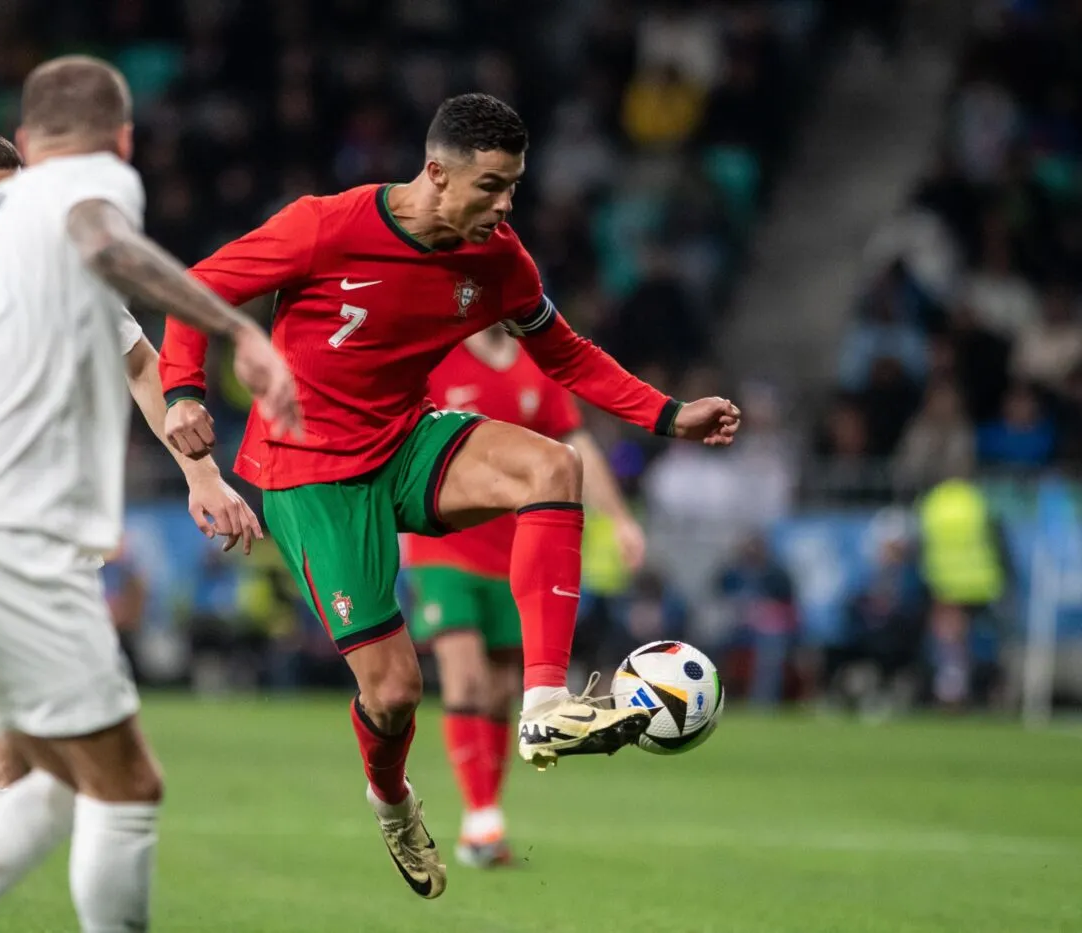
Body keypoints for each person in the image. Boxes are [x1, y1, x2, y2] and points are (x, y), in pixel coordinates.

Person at [159, 92, 739, 898]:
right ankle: (392, 800)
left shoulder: (497, 257)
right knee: (395, 693)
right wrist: (183, 388)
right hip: (309, 470)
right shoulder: (327, 225)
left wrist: (669, 415)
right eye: (492, 186)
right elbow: (197, 288)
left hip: (403, 440)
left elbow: (564, 354)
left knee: (553, 468)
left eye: (514, 188)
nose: (505, 207)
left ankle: (544, 699)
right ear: (437, 172)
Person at [0, 55, 299, 933]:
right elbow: (103, 239)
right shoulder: (85, 191)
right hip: (12, 536)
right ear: (119, 142)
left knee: (45, 775)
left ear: (23, 142)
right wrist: (235, 325)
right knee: (126, 785)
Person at [400, 323, 646, 868]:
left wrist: (621, 519)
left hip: (515, 551)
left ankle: (481, 822)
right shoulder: (435, 352)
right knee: (463, 675)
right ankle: (483, 817)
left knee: (503, 687)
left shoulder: (535, 363)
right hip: (442, 545)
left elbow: (576, 449)